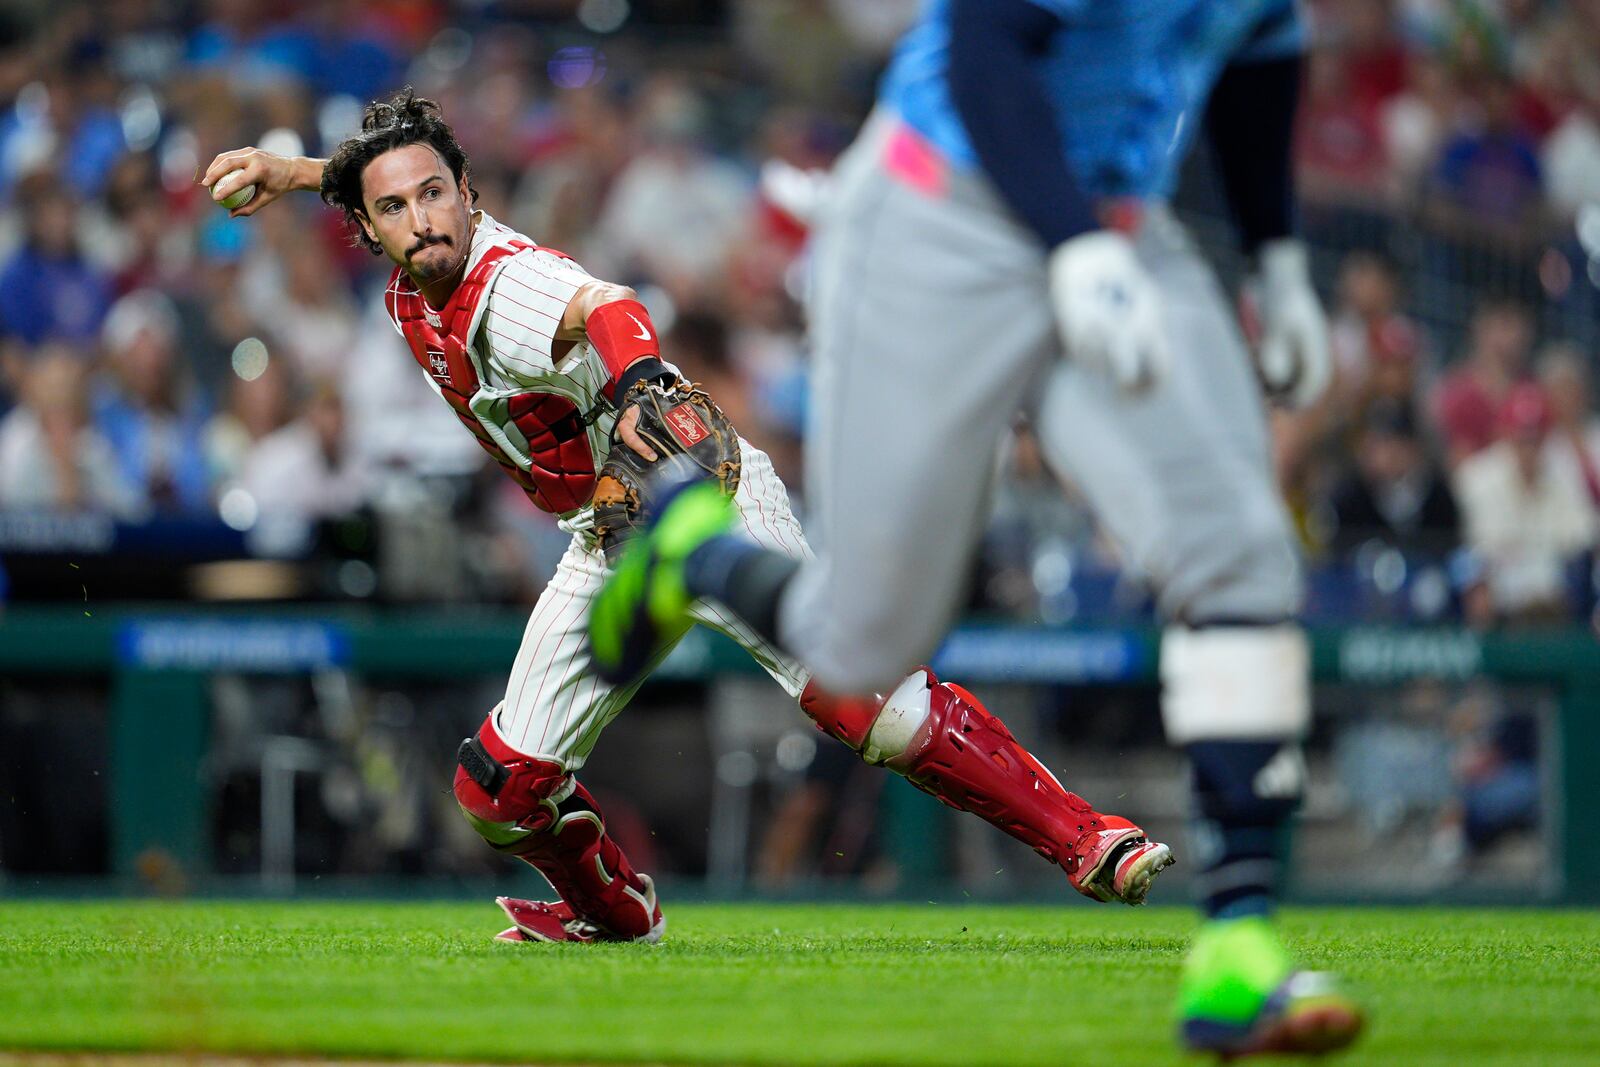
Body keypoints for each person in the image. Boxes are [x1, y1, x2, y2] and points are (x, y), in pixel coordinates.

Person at [202, 89, 1171, 946]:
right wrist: (294, 173)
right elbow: (369, 175)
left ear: (471, 192)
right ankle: (616, 914)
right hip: (607, 529)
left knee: (866, 708)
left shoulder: (499, 287)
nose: (421, 217)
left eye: (434, 193)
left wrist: (631, 399)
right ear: (367, 229)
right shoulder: (414, 280)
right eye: (394, 206)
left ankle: (1090, 837)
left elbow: (613, 306)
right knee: (497, 790)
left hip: (688, 495)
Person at [590, 0, 1362, 1056]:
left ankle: (1238, 944)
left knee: (1241, 553)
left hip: (1114, 220)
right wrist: (1071, 244)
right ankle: (694, 551)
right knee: (862, 639)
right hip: (935, 215)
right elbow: (985, 46)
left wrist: (1275, 255)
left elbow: (1263, 47)